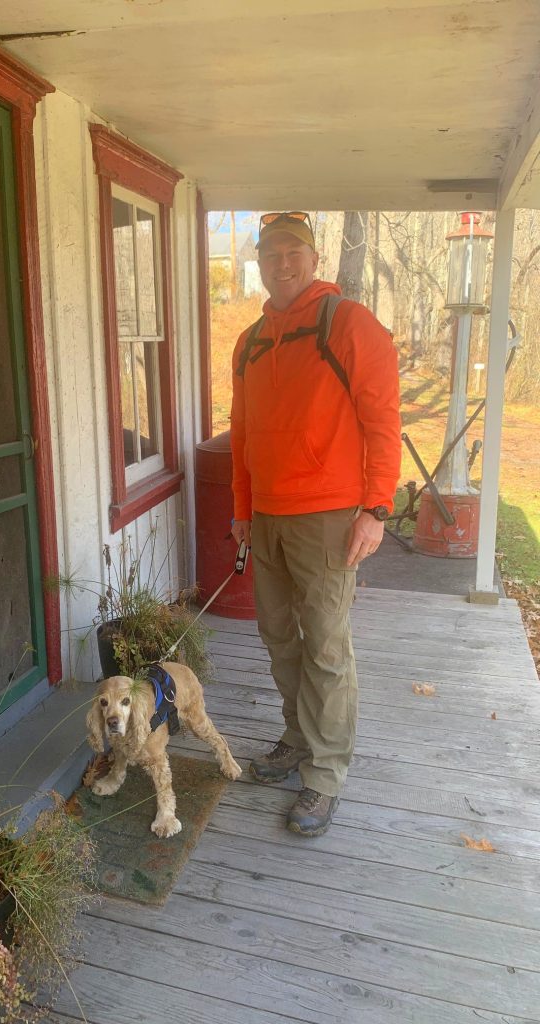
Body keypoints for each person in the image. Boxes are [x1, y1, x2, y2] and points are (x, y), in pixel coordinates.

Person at [230, 211, 401, 837]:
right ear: (259, 261)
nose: (282, 263)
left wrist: (375, 508)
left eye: (293, 252)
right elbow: (242, 434)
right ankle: (297, 736)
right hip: (267, 517)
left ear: (314, 257)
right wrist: (241, 511)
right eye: (271, 253)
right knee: (279, 636)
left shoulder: (349, 323)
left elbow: (383, 420)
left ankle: (324, 775)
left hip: (328, 517)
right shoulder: (249, 341)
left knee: (326, 645)